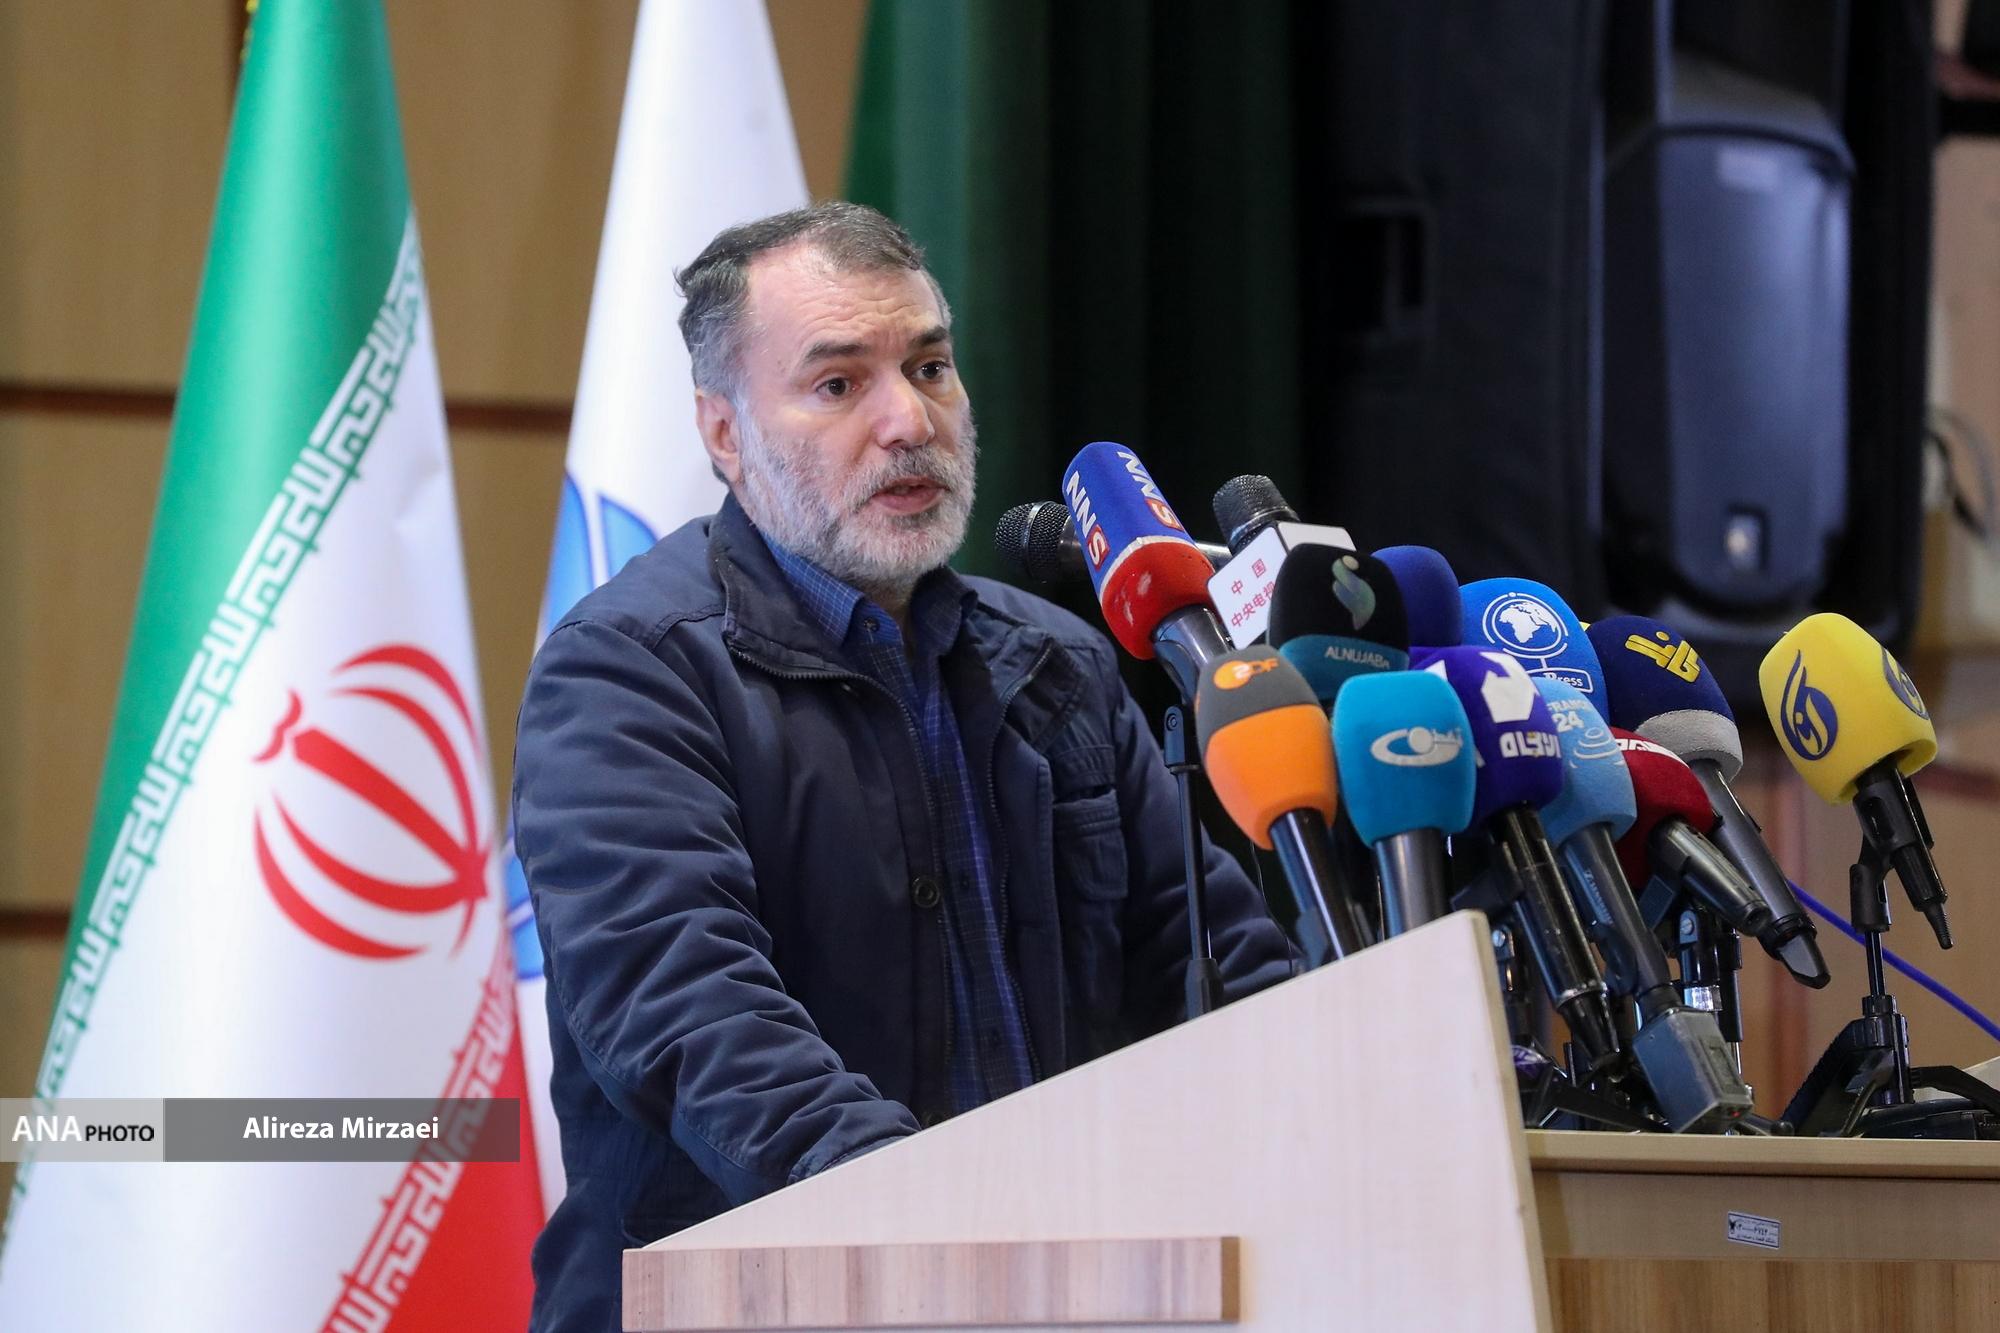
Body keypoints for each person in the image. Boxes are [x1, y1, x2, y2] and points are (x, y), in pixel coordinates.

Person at [511, 201, 1293, 1331]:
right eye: (839, 384)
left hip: (1062, 1298)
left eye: (930, 368)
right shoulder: (628, 671)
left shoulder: (1058, 664)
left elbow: (1216, 970)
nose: (908, 421)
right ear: (724, 434)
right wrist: (940, 1228)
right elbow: (691, 1012)